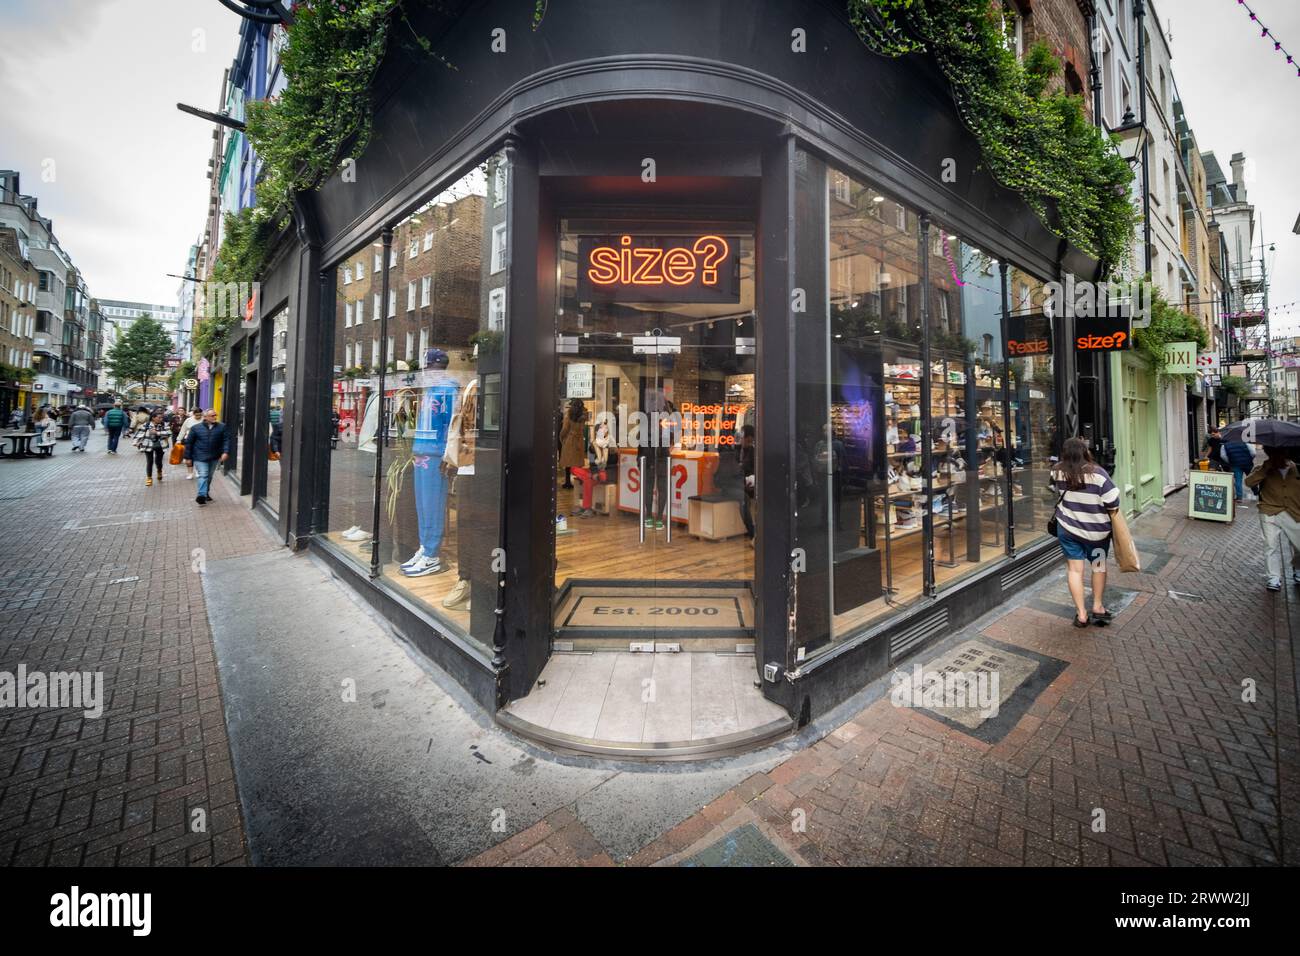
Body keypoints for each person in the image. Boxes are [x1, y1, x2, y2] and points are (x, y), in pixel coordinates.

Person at [1051, 435, 1121, 628]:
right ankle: (1097, 606)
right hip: (1097, 535)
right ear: (1084, 451)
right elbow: (1113, 500)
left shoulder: (1057, 471)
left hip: (1068, 530)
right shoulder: (1098, 474)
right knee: (1098, 567)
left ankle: (1081, 614)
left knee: (1074, 570)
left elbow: (1053, 490)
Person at [1244, 446, 1300, 591]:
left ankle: (1298, 568)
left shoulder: (1297, 468)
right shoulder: (1262, 468)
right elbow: (1249, 482)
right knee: (1270, 545)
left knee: (1298, 545)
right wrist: (1265, 468)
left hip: (1294, 512)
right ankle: (1273, 577)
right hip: (1269, 511)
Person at [184, 409, 230, 505]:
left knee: (209, 477)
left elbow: (226, 440)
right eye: (212, 415)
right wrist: (188, 458)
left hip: (214, 456)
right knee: (203, 475)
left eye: (215, 415)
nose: (215, 417)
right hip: (200, 456)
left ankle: (206, 493)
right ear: (205, 417)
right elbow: (189, 443)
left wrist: (225, 452)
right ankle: (201, 495)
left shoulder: (222, 427)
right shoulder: (195, 428)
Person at [569, 419, 611, 518]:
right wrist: (593, 472)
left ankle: (586, 507)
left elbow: (609, 463)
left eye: (605, 427)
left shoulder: (608, 442)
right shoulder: (593, 445)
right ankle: (586, 507)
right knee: (574, 468)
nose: (604, 428)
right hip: (595, 471)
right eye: (602, 427)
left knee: (588, 480)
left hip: (603, 472)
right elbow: (592, 462)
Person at [558, 398, 588, 503]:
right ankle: (579, 481)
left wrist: (561, 438)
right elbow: (582, 428)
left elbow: (564, 429)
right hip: (579, 440)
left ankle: (568, 482)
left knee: (568, 462)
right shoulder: (583, 416)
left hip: (570, 439)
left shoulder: (568, 415)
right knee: (577, 462)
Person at [139, 410, 171, 486]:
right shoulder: (146, 425)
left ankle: (159, 471)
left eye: (162, 418)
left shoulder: (164, 425)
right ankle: (149, 478)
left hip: (160, 445)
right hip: (148, 445)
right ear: (153, 418)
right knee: (149, 461)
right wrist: (137, 442)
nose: (161, 419)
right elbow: (140, 433)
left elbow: (169, 433)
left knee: (158, 461)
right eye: (159, 418)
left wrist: (157, 433)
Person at [1223, 437, 1256, 502]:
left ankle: (1239, 497)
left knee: (1238, 480)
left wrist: (1230, 461)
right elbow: (1253, 453)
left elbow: (1223, 456)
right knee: (1251, 478)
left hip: (1235, 464)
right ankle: (1256, 492)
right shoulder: (1246, 442)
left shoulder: (1225, 445)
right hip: (1248, 463)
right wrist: (1250, 459)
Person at [177, 408, 203, 479]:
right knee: (189, 457)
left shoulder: (204, 420)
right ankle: (190, 473)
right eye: (197, 415)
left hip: (200, 441)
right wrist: (179, 440)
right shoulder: (188, 420)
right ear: (193, 414)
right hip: (189, 440)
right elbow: (183, 430)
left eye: (200, 415)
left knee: (198, 456)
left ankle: (198, 471)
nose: (198, 417)